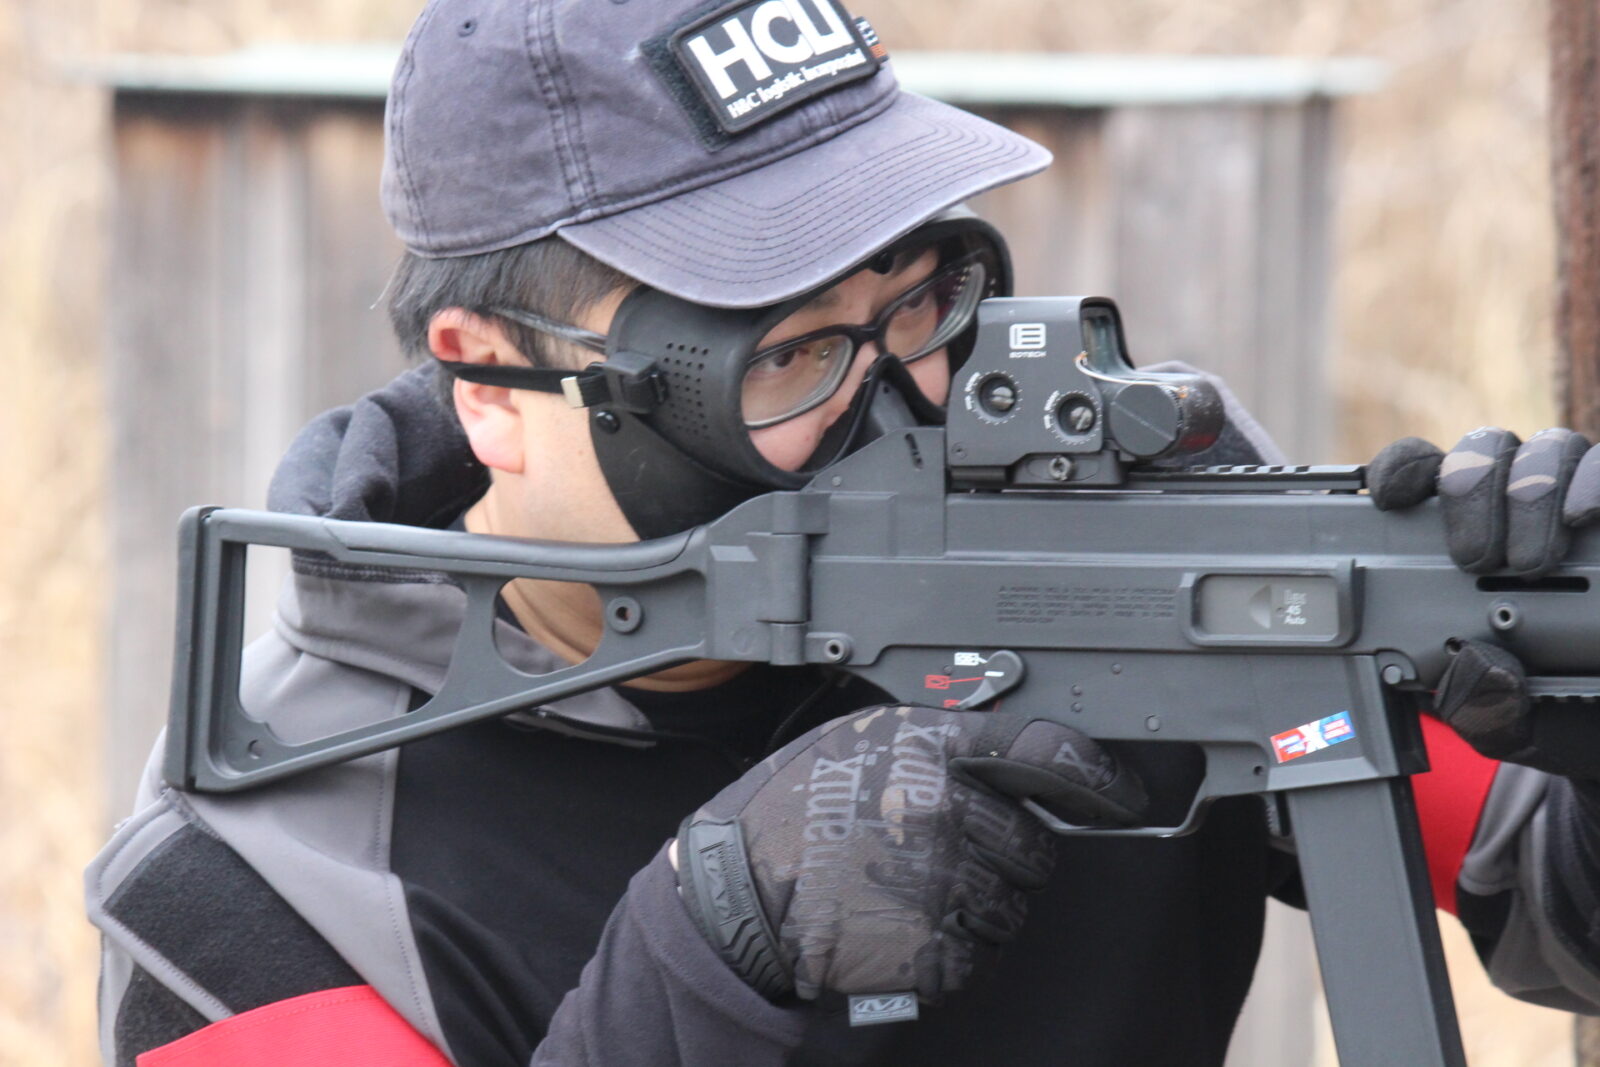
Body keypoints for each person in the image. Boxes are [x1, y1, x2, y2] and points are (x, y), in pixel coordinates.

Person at [87, 0, 1600, 1064]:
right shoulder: (256, 885)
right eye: (791, 352)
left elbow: (1558, 904)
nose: (900, 402)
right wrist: (710, 955)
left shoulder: (1132, 539)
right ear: (491, 381)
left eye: (919, 299)